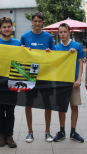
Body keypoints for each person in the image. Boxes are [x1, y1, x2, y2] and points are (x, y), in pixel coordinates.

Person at [20, 11, 55, 143]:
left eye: (40, 21)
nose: (37, 23)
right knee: (28, 104)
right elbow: (20, 56)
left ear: (43, 22)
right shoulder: (24, 36)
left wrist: (50, 53)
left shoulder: (48, 37)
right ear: (31, 22)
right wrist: (22, 50)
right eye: (35, 21)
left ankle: (47, 132)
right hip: (29, 74)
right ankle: (30, 132)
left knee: (48, 104)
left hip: (45, 74)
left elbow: (54, 55)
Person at [0, 16, 21, 148]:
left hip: (12, 81)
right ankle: (1, 135)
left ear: (12, 27)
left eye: (9, 26)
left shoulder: (17, 43)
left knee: (10, 111)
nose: (7, 29)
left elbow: (22, 61)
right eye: (4, 27)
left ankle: (10, 136)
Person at [52, 23, 85, 143]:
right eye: (60, 32)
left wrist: (78, 79)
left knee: (74, 106)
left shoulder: (76, 46)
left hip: (74, 83)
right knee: (61, 108)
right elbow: (54, 63)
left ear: (69, 32)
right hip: (61, 83)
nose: (63, 34)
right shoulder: (56, 47)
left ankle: (73, 131)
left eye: (65, 32)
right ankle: (61, 131)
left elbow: (81, 63)